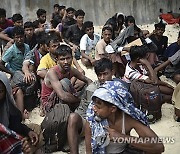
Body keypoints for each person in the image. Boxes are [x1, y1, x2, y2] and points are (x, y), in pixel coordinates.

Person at [85, 80, 165, 154]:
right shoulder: (92, 120)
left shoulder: (127, 119)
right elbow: (89, 151)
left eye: (98, 107)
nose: (93, 109)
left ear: (112, 109)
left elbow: (159, 147)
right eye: (94, 105)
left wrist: (122, 137)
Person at [68, 58, 117, 154]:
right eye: (99, 75)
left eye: (105, 74)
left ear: (112, 72)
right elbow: (92, 114)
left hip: (107, 117)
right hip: (87, 118)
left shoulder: (117, 86)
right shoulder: (93, 89)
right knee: (73, 117)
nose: (102, 78)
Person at [41, 44, 92, 113]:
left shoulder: (71, 69)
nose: (66, 62)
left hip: (65, 98)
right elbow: (62, 96)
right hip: (50, 104)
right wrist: (80, 100)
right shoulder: (52, 72)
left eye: (68, 58)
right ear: (57, 60)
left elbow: (87, 80)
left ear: (72, 58)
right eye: (62, 59)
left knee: (85, 85)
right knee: (64, 82)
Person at [0, 71, 39, 153]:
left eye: (0, 91)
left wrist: (28, 131)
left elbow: (14, 124)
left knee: (36, 131)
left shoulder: (6, 107)